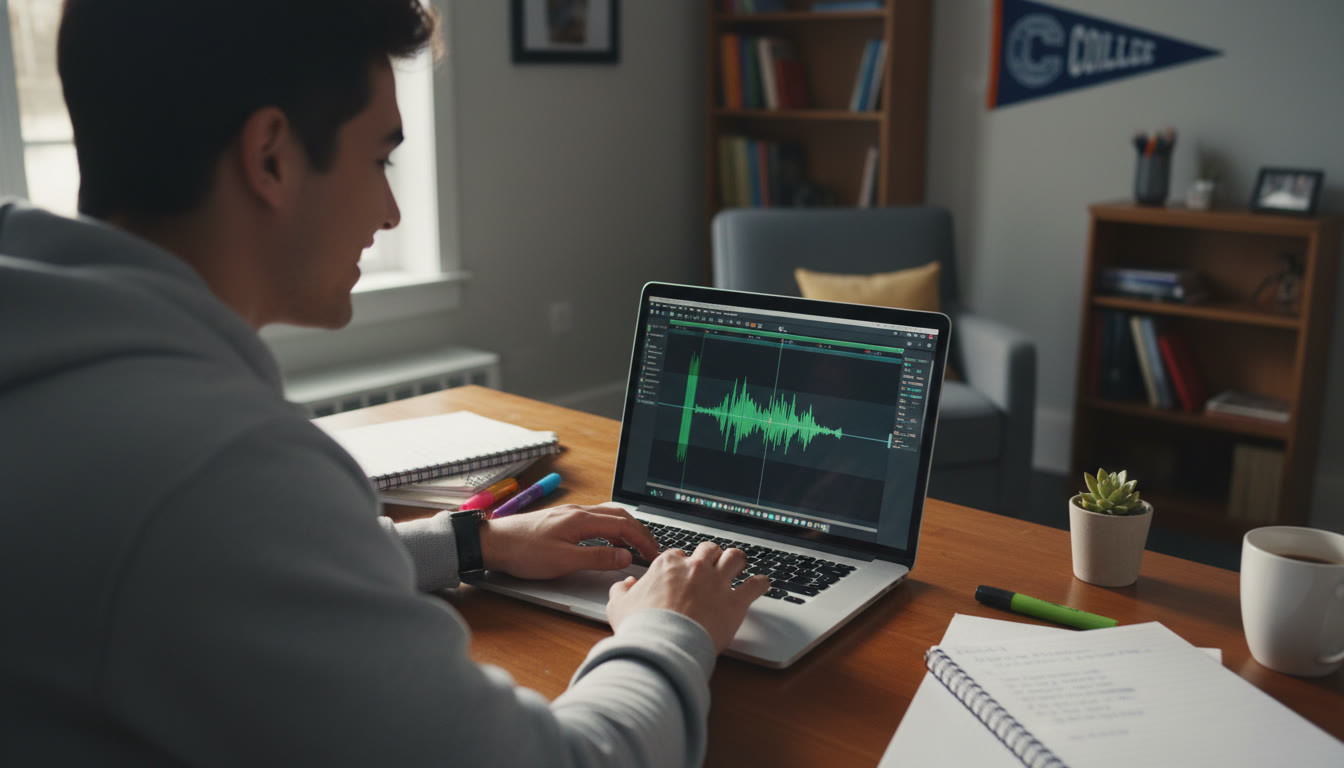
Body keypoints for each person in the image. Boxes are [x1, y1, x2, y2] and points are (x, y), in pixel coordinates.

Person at [0, 1, 769, 765]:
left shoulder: (51, 363)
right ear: (269, 155)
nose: (393, 212)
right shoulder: (214, 470)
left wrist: (472, 541)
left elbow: (229, 575)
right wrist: (672, 627)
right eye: (380, 159)